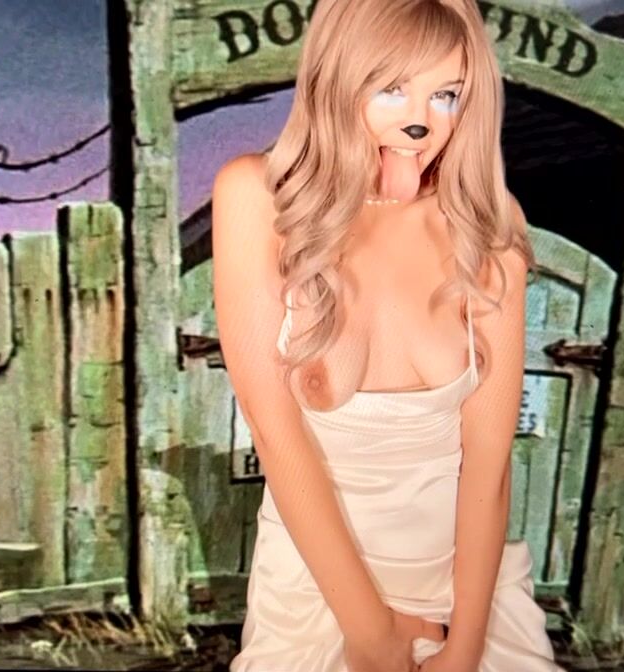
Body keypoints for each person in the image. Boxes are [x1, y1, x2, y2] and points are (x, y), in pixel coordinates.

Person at [212, 0, 563, 670]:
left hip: (463, 588)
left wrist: (464, 647)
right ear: (338, 78)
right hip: (316, 586)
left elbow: (488, 466)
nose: (419, 121)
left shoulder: (488, 225)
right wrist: (372, 632)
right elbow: (273, 430)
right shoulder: (257, 195)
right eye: (392, 87)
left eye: (446, 95)